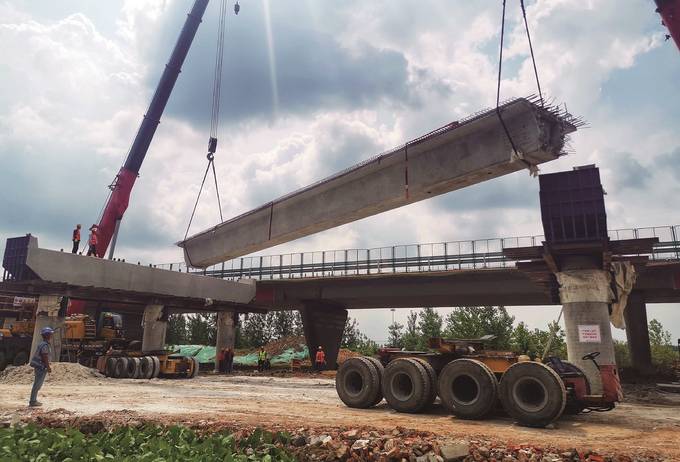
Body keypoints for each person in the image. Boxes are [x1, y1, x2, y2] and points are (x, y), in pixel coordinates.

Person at [29, 327, 54, 407]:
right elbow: (44, 356)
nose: (51, 336)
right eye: (50, 334)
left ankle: (33, 400)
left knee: (37, 384)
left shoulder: (42, 344)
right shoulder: (44, 345)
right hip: (40, 367)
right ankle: (33, 401)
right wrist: (48, 367)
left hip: (39, 366)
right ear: (47, 335)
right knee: (37, 384)